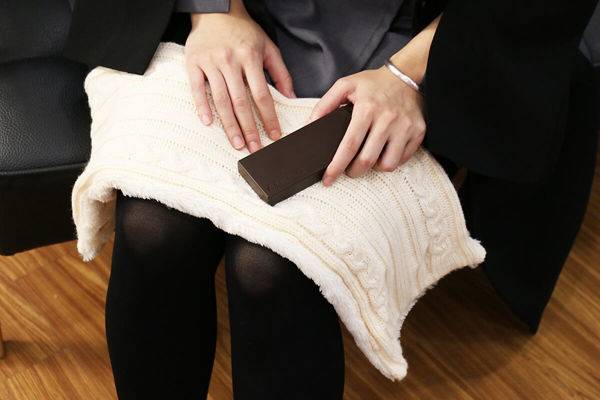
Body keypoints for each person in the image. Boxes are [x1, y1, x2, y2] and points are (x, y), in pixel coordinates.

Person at [62, 0, 599, 399]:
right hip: (235, 19)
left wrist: (409, 74)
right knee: (154, 229)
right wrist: (214, 11)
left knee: (271, 267)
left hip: (434, 45)